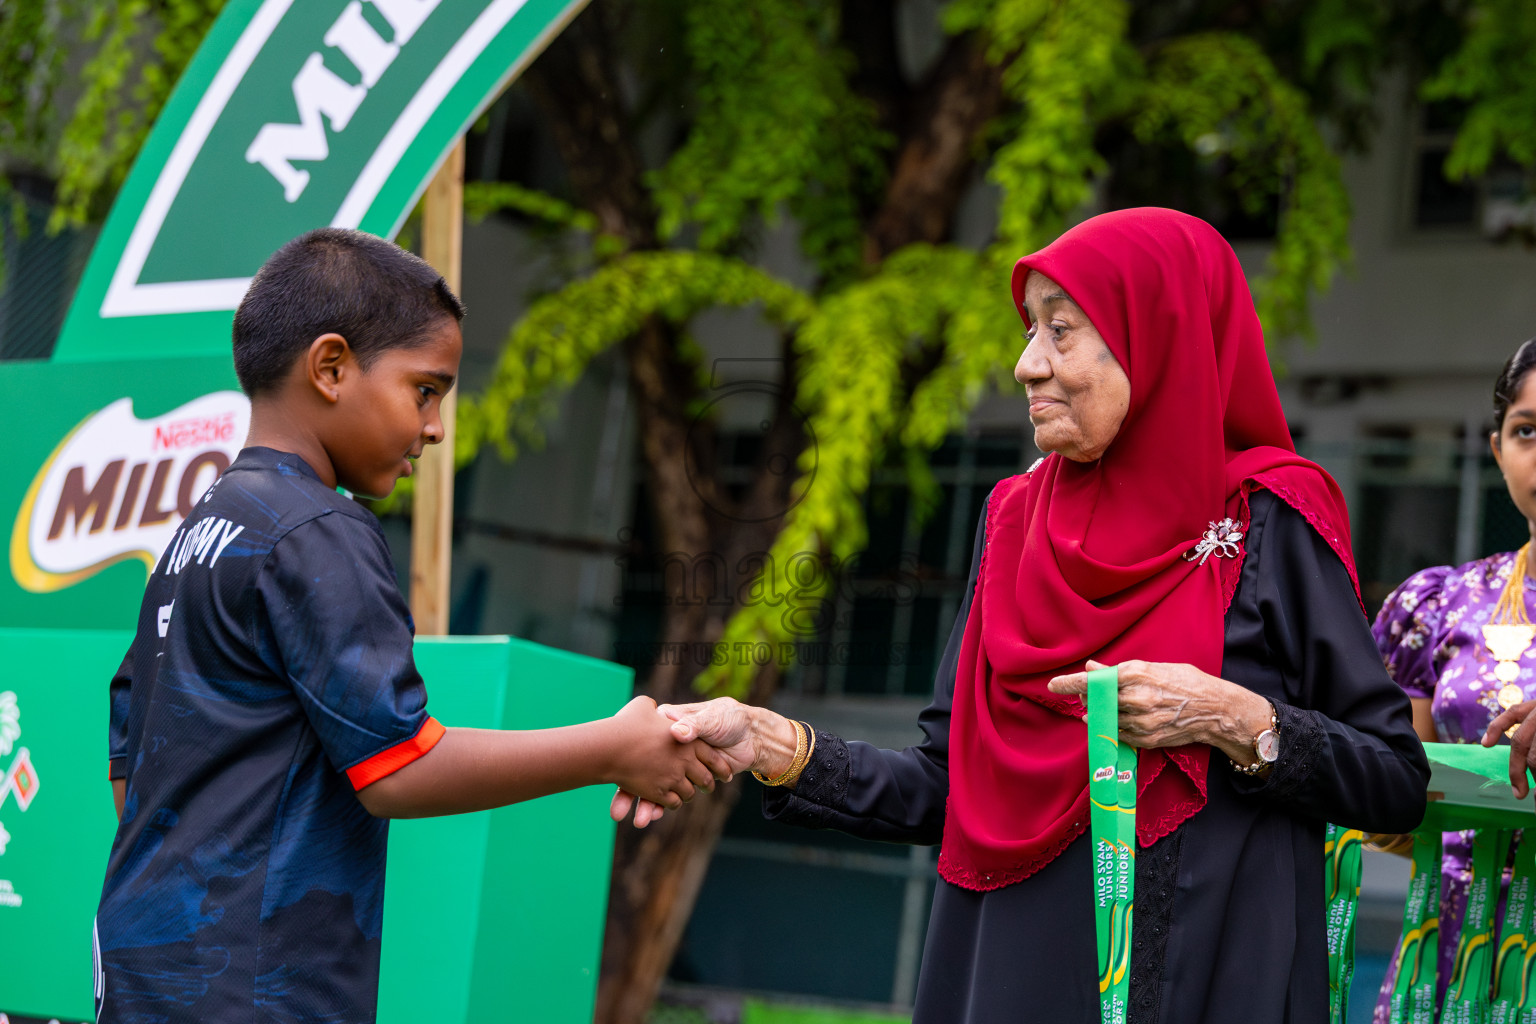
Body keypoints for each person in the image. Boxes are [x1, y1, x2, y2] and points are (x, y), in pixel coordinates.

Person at [623, 208, 1430, 1024]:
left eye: (1061, 330)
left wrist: (1234, 718)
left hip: (1210, 984)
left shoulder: (1270, 520)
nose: (1026, 365)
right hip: (1006, 982)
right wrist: (772, 745)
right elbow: (944, 787)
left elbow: (1394, 782)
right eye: (1029, 330)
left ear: (1159, 336)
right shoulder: (1015, 521)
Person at [95, 228, 729, 1024]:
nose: (435, 428)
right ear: (331, 368)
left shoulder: (199, 534)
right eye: (425, 391)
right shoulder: (320, 530)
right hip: (253, 992)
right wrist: (612, 748)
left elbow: (128, 768)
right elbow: (397, 766)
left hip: (144, 974)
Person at [1372, 336, 1536, 1021]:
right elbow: (1390, 800)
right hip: (1445, 952)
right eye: (1526, 430)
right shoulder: (1442, 605)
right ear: (1496, 449)